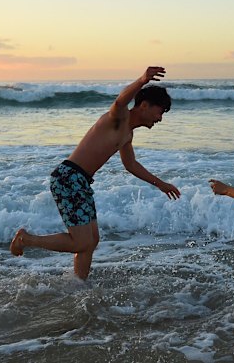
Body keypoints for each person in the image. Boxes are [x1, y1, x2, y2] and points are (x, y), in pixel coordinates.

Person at [10, 66, 181, 280]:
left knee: (91, 240)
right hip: (68, 177)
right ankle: (26, 239)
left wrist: (161, 184)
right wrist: (142, 80)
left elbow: (131, 165)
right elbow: (120, 101)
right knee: (81, 242)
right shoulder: (118, 119)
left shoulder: (127, 134)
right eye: (160, 112)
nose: (159, 119)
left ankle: (78, 283)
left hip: (79, 180)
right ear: (144, 105)